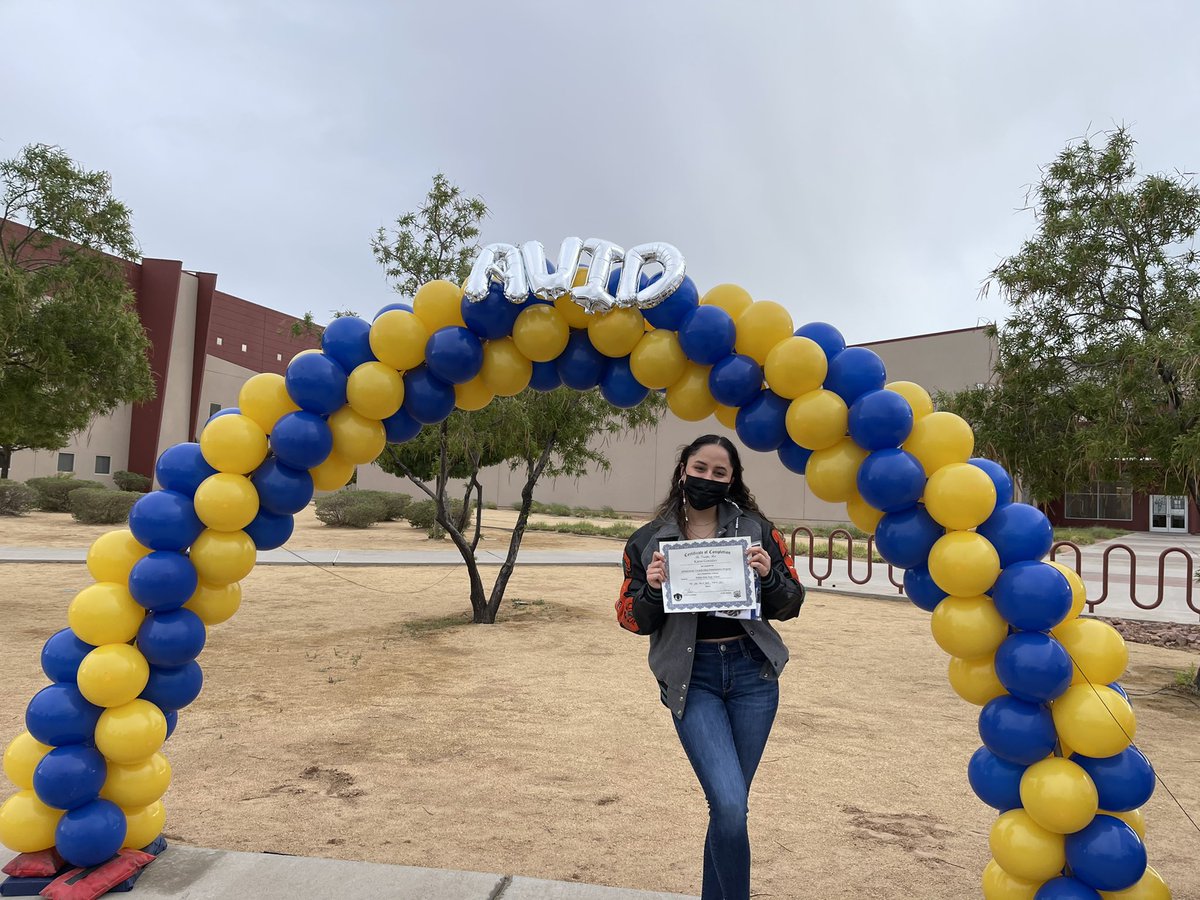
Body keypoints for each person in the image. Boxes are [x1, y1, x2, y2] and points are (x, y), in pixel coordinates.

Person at [615, 434, 804, 900]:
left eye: (721, 473)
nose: (708, 479)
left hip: (752, 676)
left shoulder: (758, 531)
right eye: (701, 468)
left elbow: (792, 603)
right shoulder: (648, 541)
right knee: (728, 801)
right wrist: (654, 588)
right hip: (692, 678)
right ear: (684, 470)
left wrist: (767, 574)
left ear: (733, 480)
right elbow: (629, 618)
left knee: (729, 811)